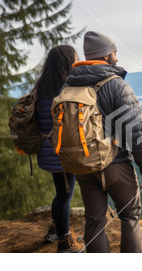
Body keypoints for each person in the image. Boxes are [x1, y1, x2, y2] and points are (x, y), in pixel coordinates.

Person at [66, 31, 142, 253]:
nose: (117, 58)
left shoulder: (69, 86)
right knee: (130, 216)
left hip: (84, 165)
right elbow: (137, 133)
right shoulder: (116, 86)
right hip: (116, 163)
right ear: (105, 56)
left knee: (94, 221)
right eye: (115, 53)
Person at [35, 45, 82, 252]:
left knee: (61, 192)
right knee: (65, 195)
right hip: (61, 152)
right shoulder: (64, 91)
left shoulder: (43, 89)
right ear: (66, 64)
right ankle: (65, 243)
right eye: (74, 59)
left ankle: (56, 228)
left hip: (48, 150)